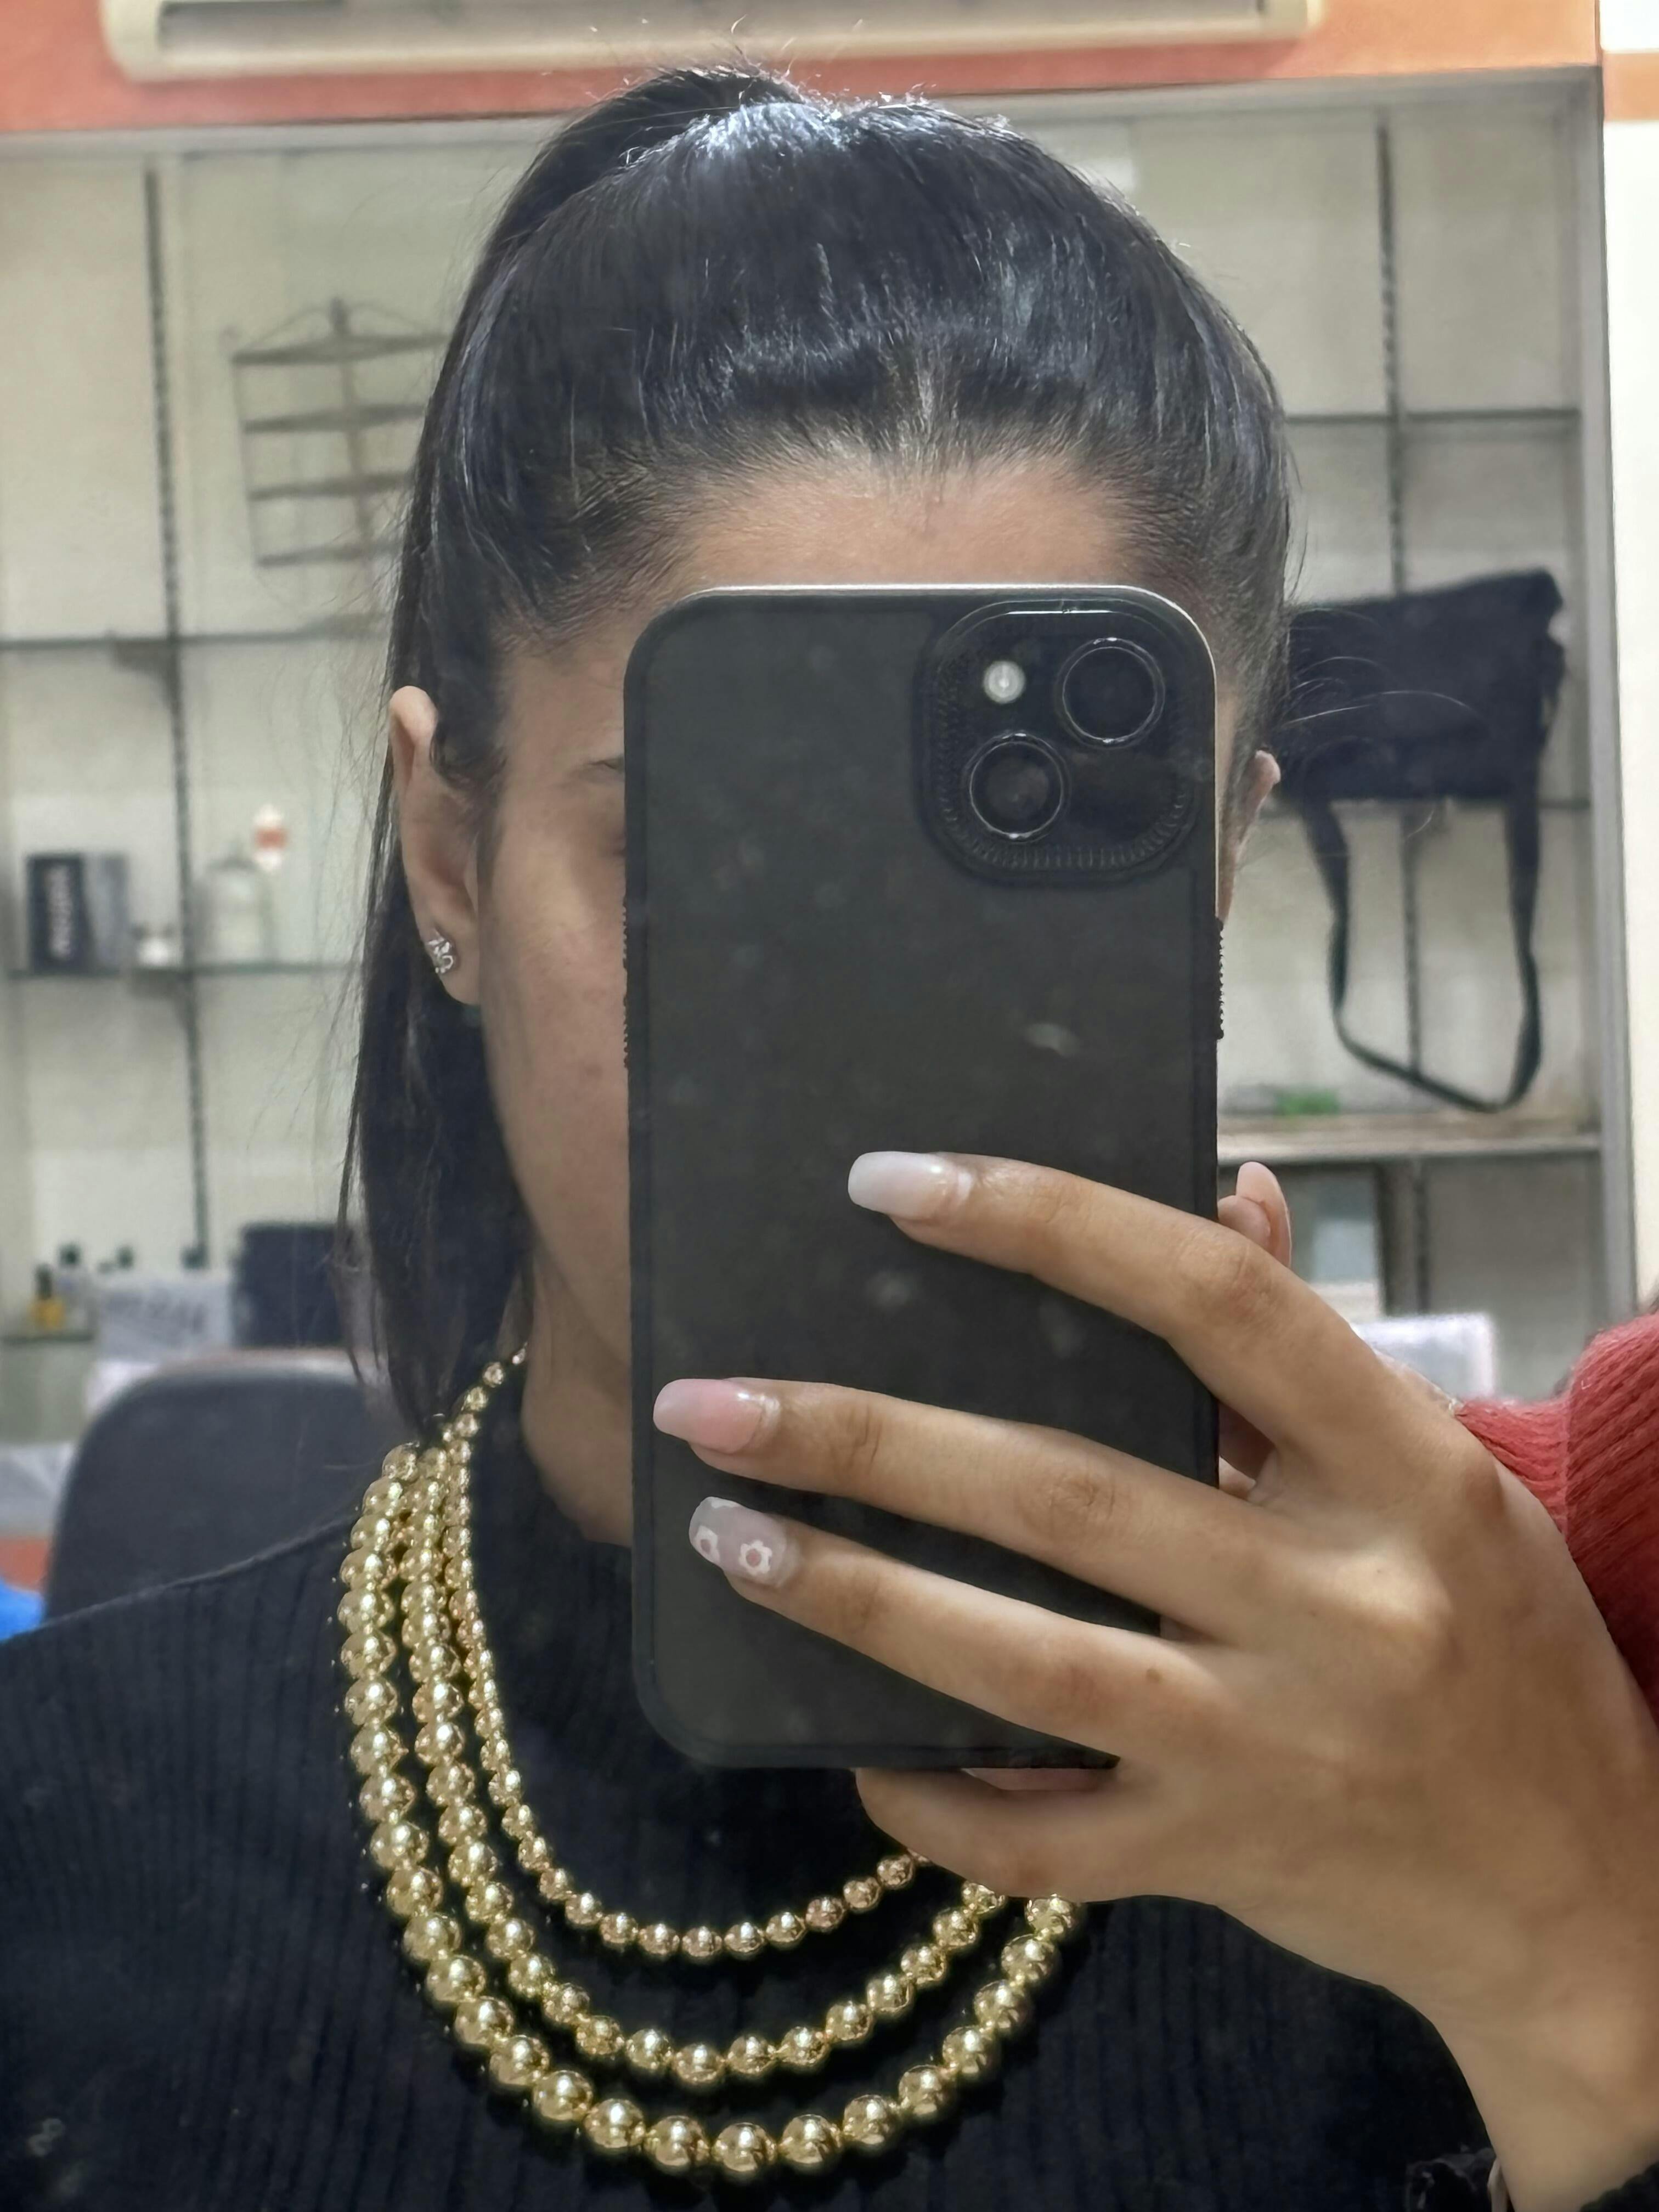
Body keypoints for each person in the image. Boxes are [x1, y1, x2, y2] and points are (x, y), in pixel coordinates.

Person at [3, 65, 1659, 2212]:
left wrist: (1580, 1972)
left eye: (1014, 885)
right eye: (708, 868)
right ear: (447, 855)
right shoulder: (62, 1841)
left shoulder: (1473, 1788)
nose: (866, 1054)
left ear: (1224, 870)